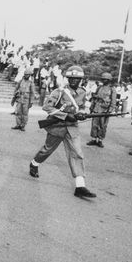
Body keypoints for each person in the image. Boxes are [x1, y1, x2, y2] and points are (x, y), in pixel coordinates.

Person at [29, 65, 97, 198]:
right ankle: (34, 163)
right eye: (71, 78)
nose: (73, 81)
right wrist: (65, 115)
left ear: (81, 80)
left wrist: (82, 113)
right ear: (67, 79)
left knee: (77, 153)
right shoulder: (59, 92)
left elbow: (82, 106)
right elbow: (47, 107)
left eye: (76, 79)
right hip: (57, 126)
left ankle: (80, 186)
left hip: (72, 127)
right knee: (47, 150)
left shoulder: (82, 92)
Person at [86, 72, 116, 148]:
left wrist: (110, 110)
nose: (104, 80)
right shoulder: (99, 87)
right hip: (96, 108)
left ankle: (100, 140)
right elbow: (94, 98)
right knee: (94, 125)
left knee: (103, 126)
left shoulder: (112, 89)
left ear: (109, 80)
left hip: (105, 110)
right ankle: (93, 139)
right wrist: (91, 107)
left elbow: (113, 101)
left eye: (106, 79)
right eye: (103, 79)